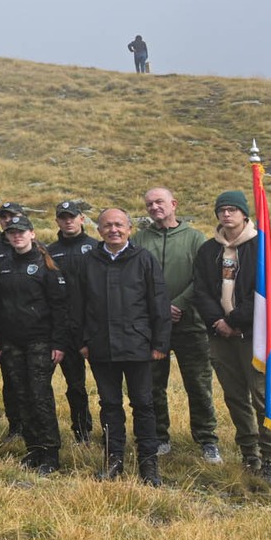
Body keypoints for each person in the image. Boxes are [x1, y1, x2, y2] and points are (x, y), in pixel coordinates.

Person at [68, 207, 171, 484]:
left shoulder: (144, 260)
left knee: (144, 404)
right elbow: (77, 307)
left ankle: (148, 465)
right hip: (101, 347)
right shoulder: (87, 262)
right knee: (109, 405)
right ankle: (114, 461)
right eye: (107, 225)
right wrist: (83, 343)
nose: (113, 230)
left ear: (129, 228)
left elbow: (158, 303)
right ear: (98, 230)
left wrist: (159, 343)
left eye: (119, 225)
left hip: (139, 346)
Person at [192, 190, 271, 480]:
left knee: (261, 395)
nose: (226, 214)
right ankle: (248, 453)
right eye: (222, 210)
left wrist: (238, 320)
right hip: (220, 335)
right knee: (234, 395)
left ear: (244, 214)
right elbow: (201, 290)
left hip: (254, 334)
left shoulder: (262, 246)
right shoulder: (208, 250)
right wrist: (218, 321)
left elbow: (268, 292)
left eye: (232, 209)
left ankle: (269, 457)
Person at [132, 187, 219, 461]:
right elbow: (132, 279)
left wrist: (178, 304)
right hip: (152, 327)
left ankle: (207, 439)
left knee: (198, 382)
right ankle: (159, 437)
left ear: (173, 204)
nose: (154, 207)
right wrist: (158, 310)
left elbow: (203, 278)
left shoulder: (195, 238)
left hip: (190, 324)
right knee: (153, 383)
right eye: (149, 204)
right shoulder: (139, 240)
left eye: (159, 201)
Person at [0, 216, 74, 472]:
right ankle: (33, 449)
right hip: (12, 342)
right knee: (21, 396)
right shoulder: (3, 265)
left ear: (32, 234)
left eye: (21, 232)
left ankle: (50, 453)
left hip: (40, 342)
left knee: (40, 397)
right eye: (12, 233)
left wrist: (59, 342)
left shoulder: (46, 265)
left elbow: (60, 308)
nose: (17, 236)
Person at [44, 200, 98, 444]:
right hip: (63, 329)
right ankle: (81, 431)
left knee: (106, 386)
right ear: (57, 221)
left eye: (72, 216)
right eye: (63, 217)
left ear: (82, 218)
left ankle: (111, 432)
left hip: (92, 327)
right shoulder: (49, 252)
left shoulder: (96, 248)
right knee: (74, 385)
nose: (68, 221)